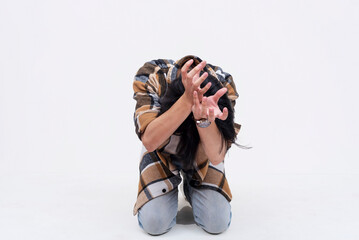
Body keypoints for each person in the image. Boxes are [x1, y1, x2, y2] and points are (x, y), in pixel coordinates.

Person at [132, 55, 241, 235]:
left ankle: (191, 186)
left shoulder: (223, 86)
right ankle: (171, 182)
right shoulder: (152, 76)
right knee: (155, 223)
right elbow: (150, 141)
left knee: (216, 222)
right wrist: (187, 100)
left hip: (203, 151)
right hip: (161, 147)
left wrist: (203, 119)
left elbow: (216, 155)